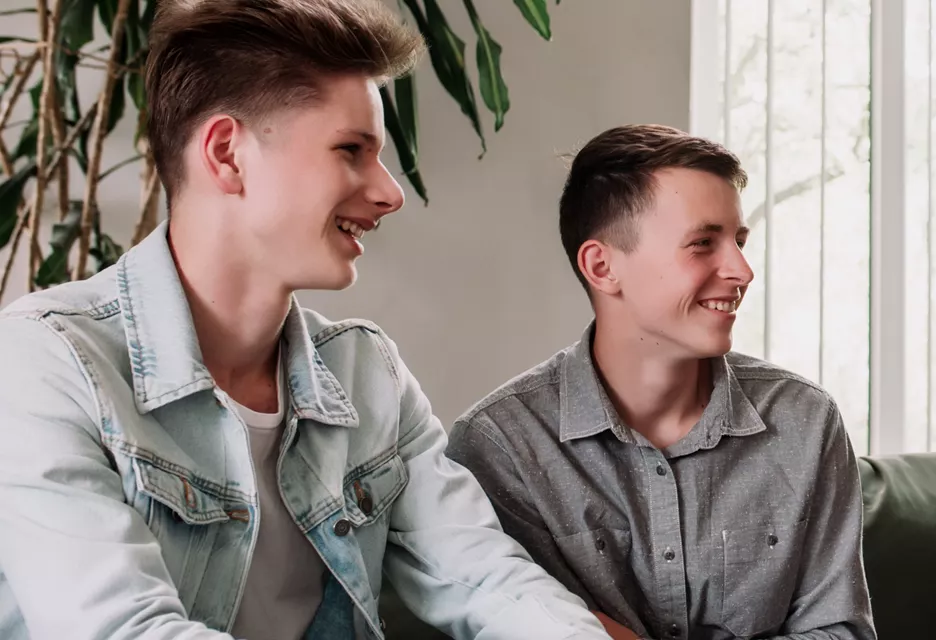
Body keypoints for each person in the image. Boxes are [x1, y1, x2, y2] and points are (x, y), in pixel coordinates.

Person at [0, 1, 611, 638]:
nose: (390, 191)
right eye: (351, 149)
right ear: (227, 154)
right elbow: (122, 630)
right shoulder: (46, 362)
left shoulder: (365, 371)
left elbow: (485, 577)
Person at [445, 124, 876, 640]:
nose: (742, 270)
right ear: (602, 266)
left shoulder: (804, 420)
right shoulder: (503, 445)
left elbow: (840, 633)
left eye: (738, 241)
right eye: (702, 244)